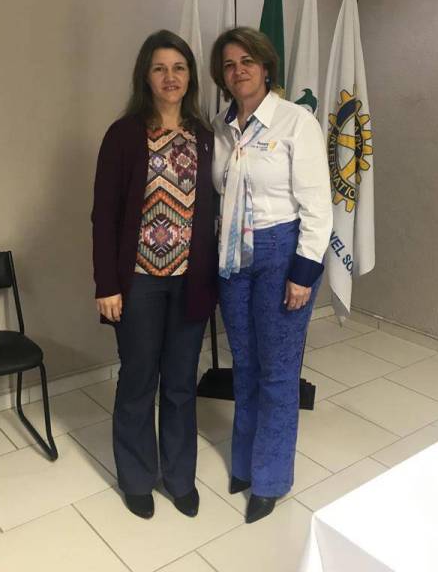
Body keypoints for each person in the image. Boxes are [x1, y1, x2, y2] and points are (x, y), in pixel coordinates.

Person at [91, 30, 217, 520]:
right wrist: (107, 284)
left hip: (191, 280)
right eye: (160, 68)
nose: (170, 77)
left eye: (179, 68)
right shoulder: (124, 134)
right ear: (145, 76)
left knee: (182, 383)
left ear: (190, 77)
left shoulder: (204, 137)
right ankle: (137, 477)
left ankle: (180, 478)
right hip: (139, 280)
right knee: (139, 379)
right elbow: (104, 214)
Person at [211, 27, 332, 524]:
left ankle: (271, 478)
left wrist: (303, 273)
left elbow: (318, 206)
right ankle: (243, 463)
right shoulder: (221, 127)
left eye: (247, 61)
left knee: (279, 371)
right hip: (232, 256)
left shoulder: (295, 121)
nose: (238, 70)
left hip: (282, 252)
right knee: (245, 363)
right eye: (229, 64)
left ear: (265, 67)